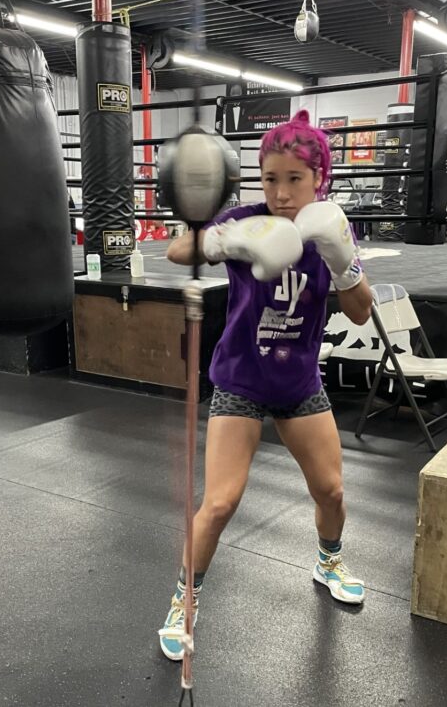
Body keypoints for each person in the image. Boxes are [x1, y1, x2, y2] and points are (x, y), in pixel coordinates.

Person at [158, 109, 373, 661]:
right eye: (270, 178)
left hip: (299, 382)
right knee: (221, 502)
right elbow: (176, 250)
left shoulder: (331, 227)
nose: (280, 193)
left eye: (294, 179)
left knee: (331, 491)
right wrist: (228, 239)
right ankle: (185, 600)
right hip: (242, 380)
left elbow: (360, 312)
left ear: (319, 177)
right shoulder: (248, 218)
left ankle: (329, 561)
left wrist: (343, 261)